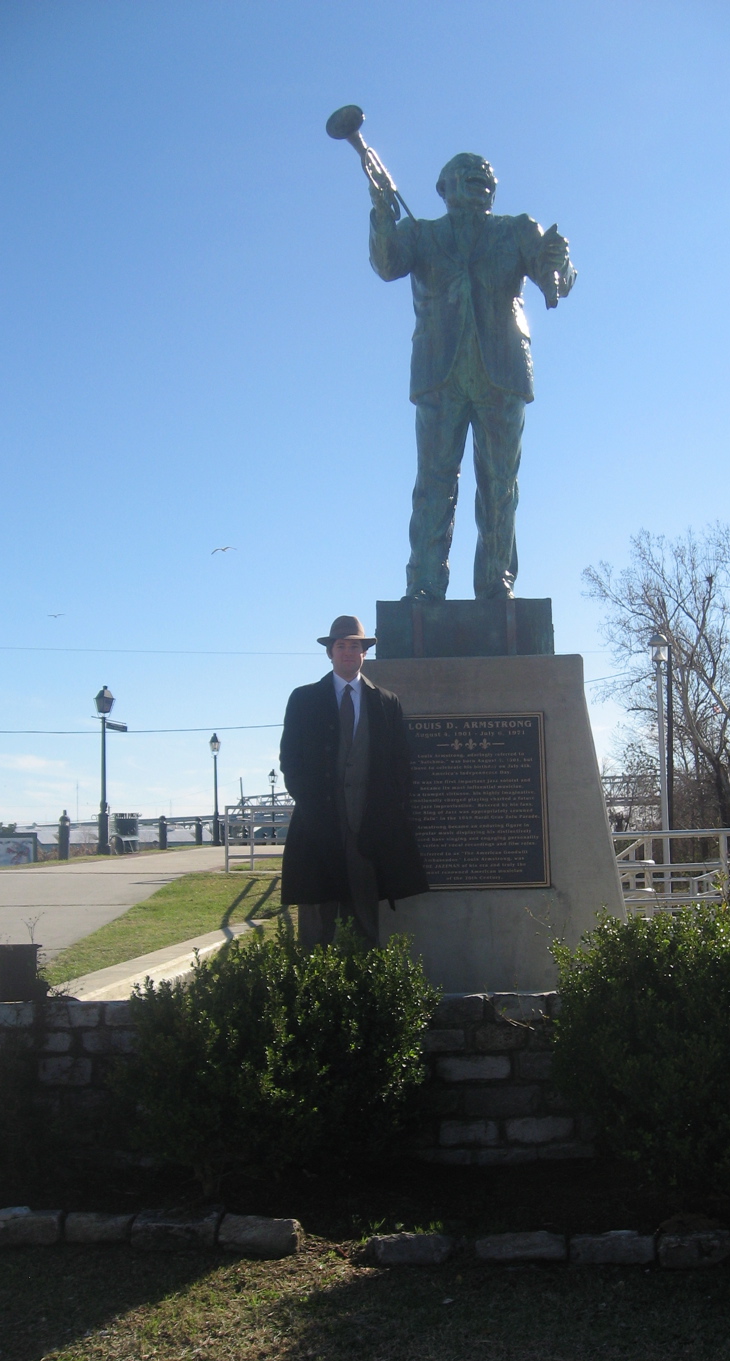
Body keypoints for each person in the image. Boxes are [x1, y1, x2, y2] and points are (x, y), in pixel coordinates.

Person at [368, 152, 576, 601]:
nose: (480, 175)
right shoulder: (421, 234)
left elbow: (554, 275)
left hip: (502, 372)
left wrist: (559, 264)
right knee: (433, 484)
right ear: (443, 188)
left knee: (500, 485)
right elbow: (387, 264)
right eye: (466, 172)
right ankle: (424, 582)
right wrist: (382, 218)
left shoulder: (517, 228)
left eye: (486, 174)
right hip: (440, 374)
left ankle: (496, 581)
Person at [279, 615, 428, 949]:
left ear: (364, 653)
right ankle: (318, 990)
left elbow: (400, 763)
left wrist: (387, 811)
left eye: (355, 646)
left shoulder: (386, 701)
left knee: (364, 910)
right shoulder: (303, 700)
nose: (348, 652)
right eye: (341, 646)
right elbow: (290, 761)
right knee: (318, 914)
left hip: (369, 825)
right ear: (330, 652)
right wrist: (310, 804)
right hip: (320, 823)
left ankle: (365, 986)